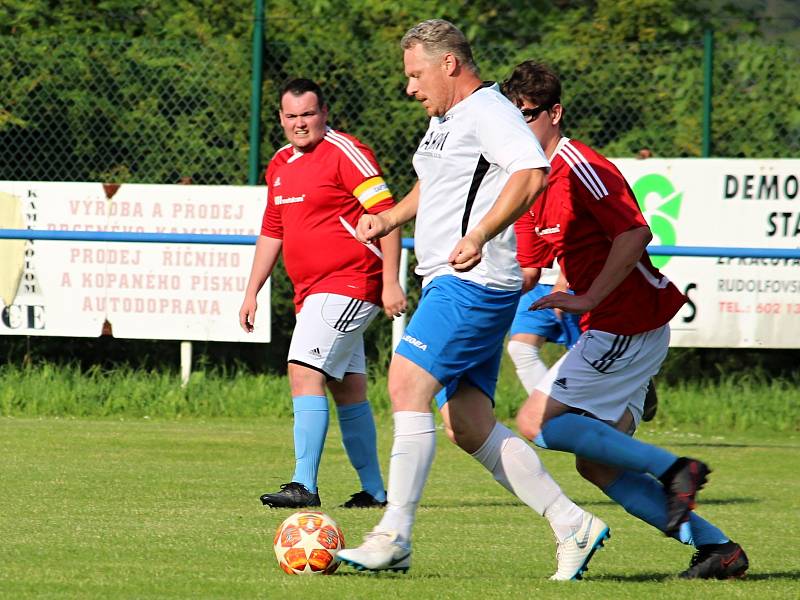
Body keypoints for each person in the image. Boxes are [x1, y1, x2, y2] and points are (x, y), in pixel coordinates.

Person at [336, 20, 610, 581]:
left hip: (474, 280)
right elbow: (434, 184)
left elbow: (531, 174)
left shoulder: (489, 111)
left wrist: (481, 233)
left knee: (405, 382)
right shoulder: (447, 120)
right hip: (450, 280)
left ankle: (393, 536)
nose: (410, 87)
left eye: (415, 75)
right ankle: (571, 524)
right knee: (467, 423)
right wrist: (389, 217)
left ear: (449, 65)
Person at [503, 60, 748, 579]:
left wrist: (587, 295)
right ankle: (719, 551)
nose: (518, 126)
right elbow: (529, 270)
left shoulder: (578, 164)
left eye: (526, 115)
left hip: (626, 320)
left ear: (555, 113)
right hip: (617, 327)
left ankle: (675, 468)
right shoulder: (526, 180)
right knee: (598, 463)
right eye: (511, 116)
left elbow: (635, 234)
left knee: (533, 423)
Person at [239, 78, 407, 510]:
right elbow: (272, 230)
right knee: (348, 388)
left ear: (324, 113)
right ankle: (374, 491)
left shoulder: (345, 153)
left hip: (350, 281)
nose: (300, 124)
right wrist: (252, 290)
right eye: (291, 116)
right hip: (314, 293)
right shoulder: (278, 165)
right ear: (280, 118)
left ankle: (303, 484)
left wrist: (390, 281)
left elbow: (385, 215)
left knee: (303, 371)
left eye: (308, 114)